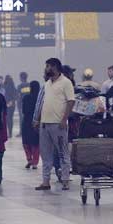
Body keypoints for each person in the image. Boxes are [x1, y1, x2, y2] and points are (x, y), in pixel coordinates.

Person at [34, 58, 75, 191]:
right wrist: (37, 119)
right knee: (45, 154)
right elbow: (43, 103)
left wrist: (64, 119)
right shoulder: (47, 84)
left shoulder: (66, 82)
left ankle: (65, 180)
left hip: (58, 124)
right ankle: (46, 182)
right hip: (45, 124)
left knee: (63, 153)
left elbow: (71, 102)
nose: (46, 69)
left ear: (55, 67)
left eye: (48, 66)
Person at [22, 80, 40, 169]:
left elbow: (23, 111)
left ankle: (29, 159)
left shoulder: (26, 97)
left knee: (26, 142)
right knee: (35, 143)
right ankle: (35, 162)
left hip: (26, 122)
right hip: (37, 122)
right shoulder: (40, 99)